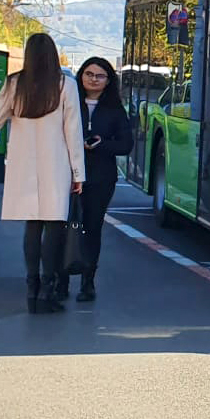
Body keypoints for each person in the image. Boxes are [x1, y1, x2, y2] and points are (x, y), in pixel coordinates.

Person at [0, 33, 84, 314]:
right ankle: (49, 290)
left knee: (32, 227)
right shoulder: (66, 85)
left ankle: (32, 287)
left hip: (23, 166)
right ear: (54, 55)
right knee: (54, 227)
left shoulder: (15, 83)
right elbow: (73, 132)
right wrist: (78, 173)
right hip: (57, 166)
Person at [58, 57, 132, 302]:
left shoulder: (115, 109)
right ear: (80, 77)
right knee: (63, 227)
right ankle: (61, 280)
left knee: (92, 228)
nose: (93, 79)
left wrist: (102, 144)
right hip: (67, 175)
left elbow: (126, 144)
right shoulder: (69, 102)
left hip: (100, 177)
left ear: (108, 80)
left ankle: (88, 281)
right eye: (88, 74)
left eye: (100, 76)